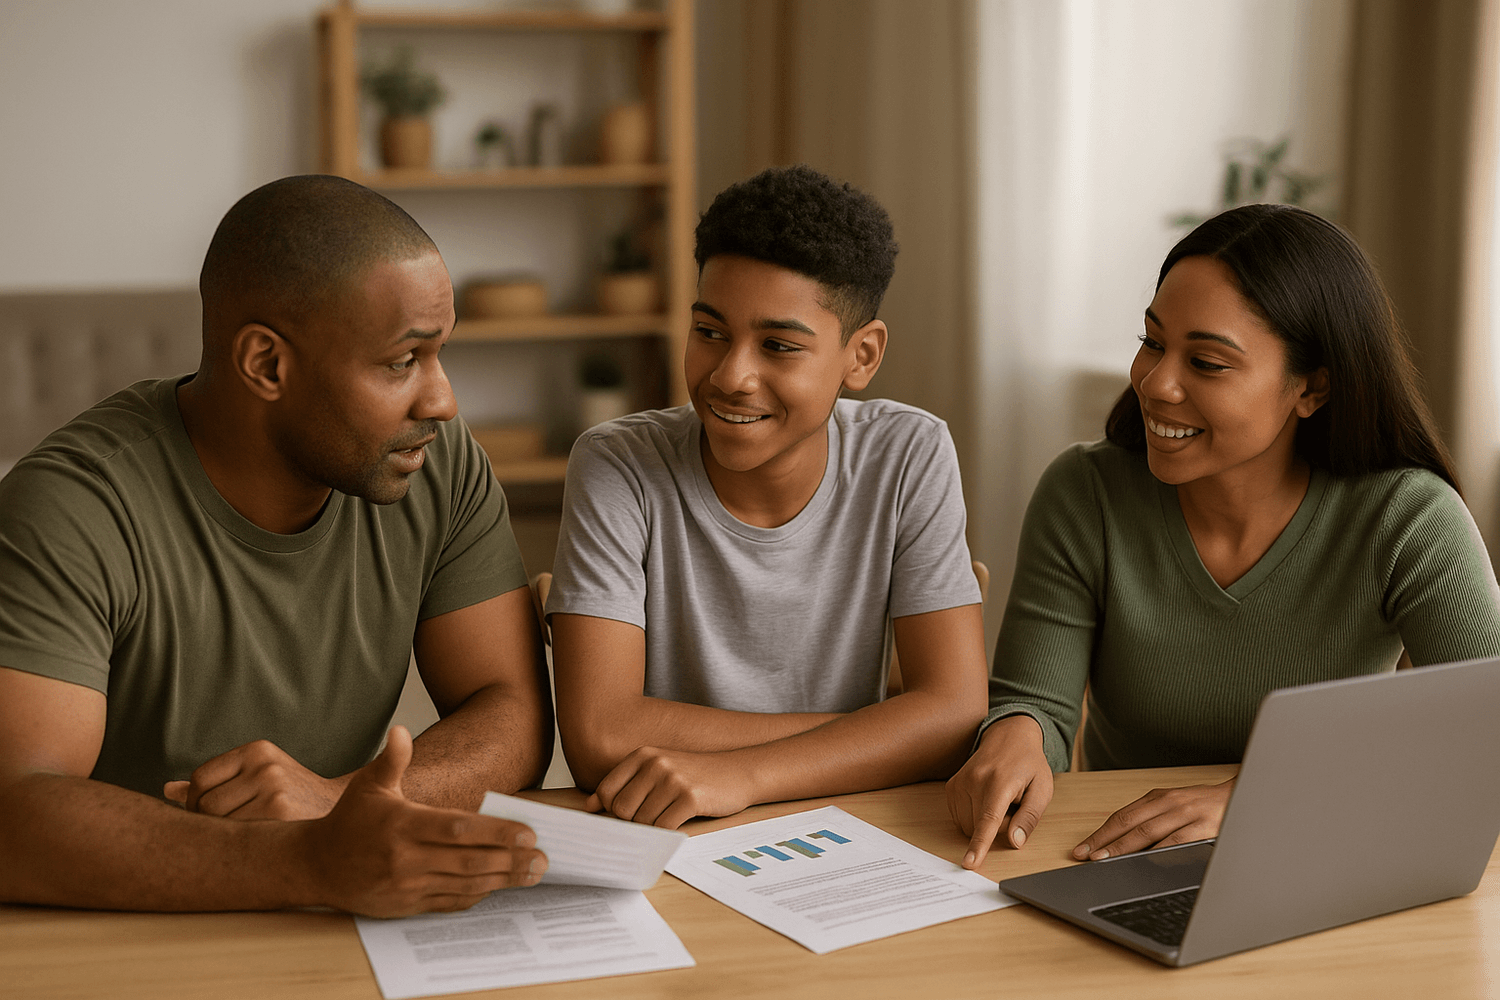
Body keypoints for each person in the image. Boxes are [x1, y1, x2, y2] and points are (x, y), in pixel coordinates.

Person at [0, 175, 553, 917]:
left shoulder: (437, 464)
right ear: (266, 364)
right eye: (402, 361)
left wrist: (340, 804)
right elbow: (13, 813)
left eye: (440, 353)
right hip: (120, 934)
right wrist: (306, 863)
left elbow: (514, 710)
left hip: (339, 917)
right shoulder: (72, 506)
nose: (443, 400)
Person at [948, 203, 1500, 869]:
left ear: (1312, 388)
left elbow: (1485, 731)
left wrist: (1261, 798)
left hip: (1326, 855)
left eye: (1206, 363)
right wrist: (1017, 732)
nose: (1156, 383)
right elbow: (1037, 702)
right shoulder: (1086, 493)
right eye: (1153, 342)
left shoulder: (1407, 518)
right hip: (1116, 860)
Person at [547, 165, 988, 829]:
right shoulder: (618, 465)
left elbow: (952, 716)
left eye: (778, 345)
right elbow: (600, 739)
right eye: (710, 332)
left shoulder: (909, 453)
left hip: (849, 829)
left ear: (861, 357)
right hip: (669, 830)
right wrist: (877, 732)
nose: (731, 376)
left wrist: (743, 775)